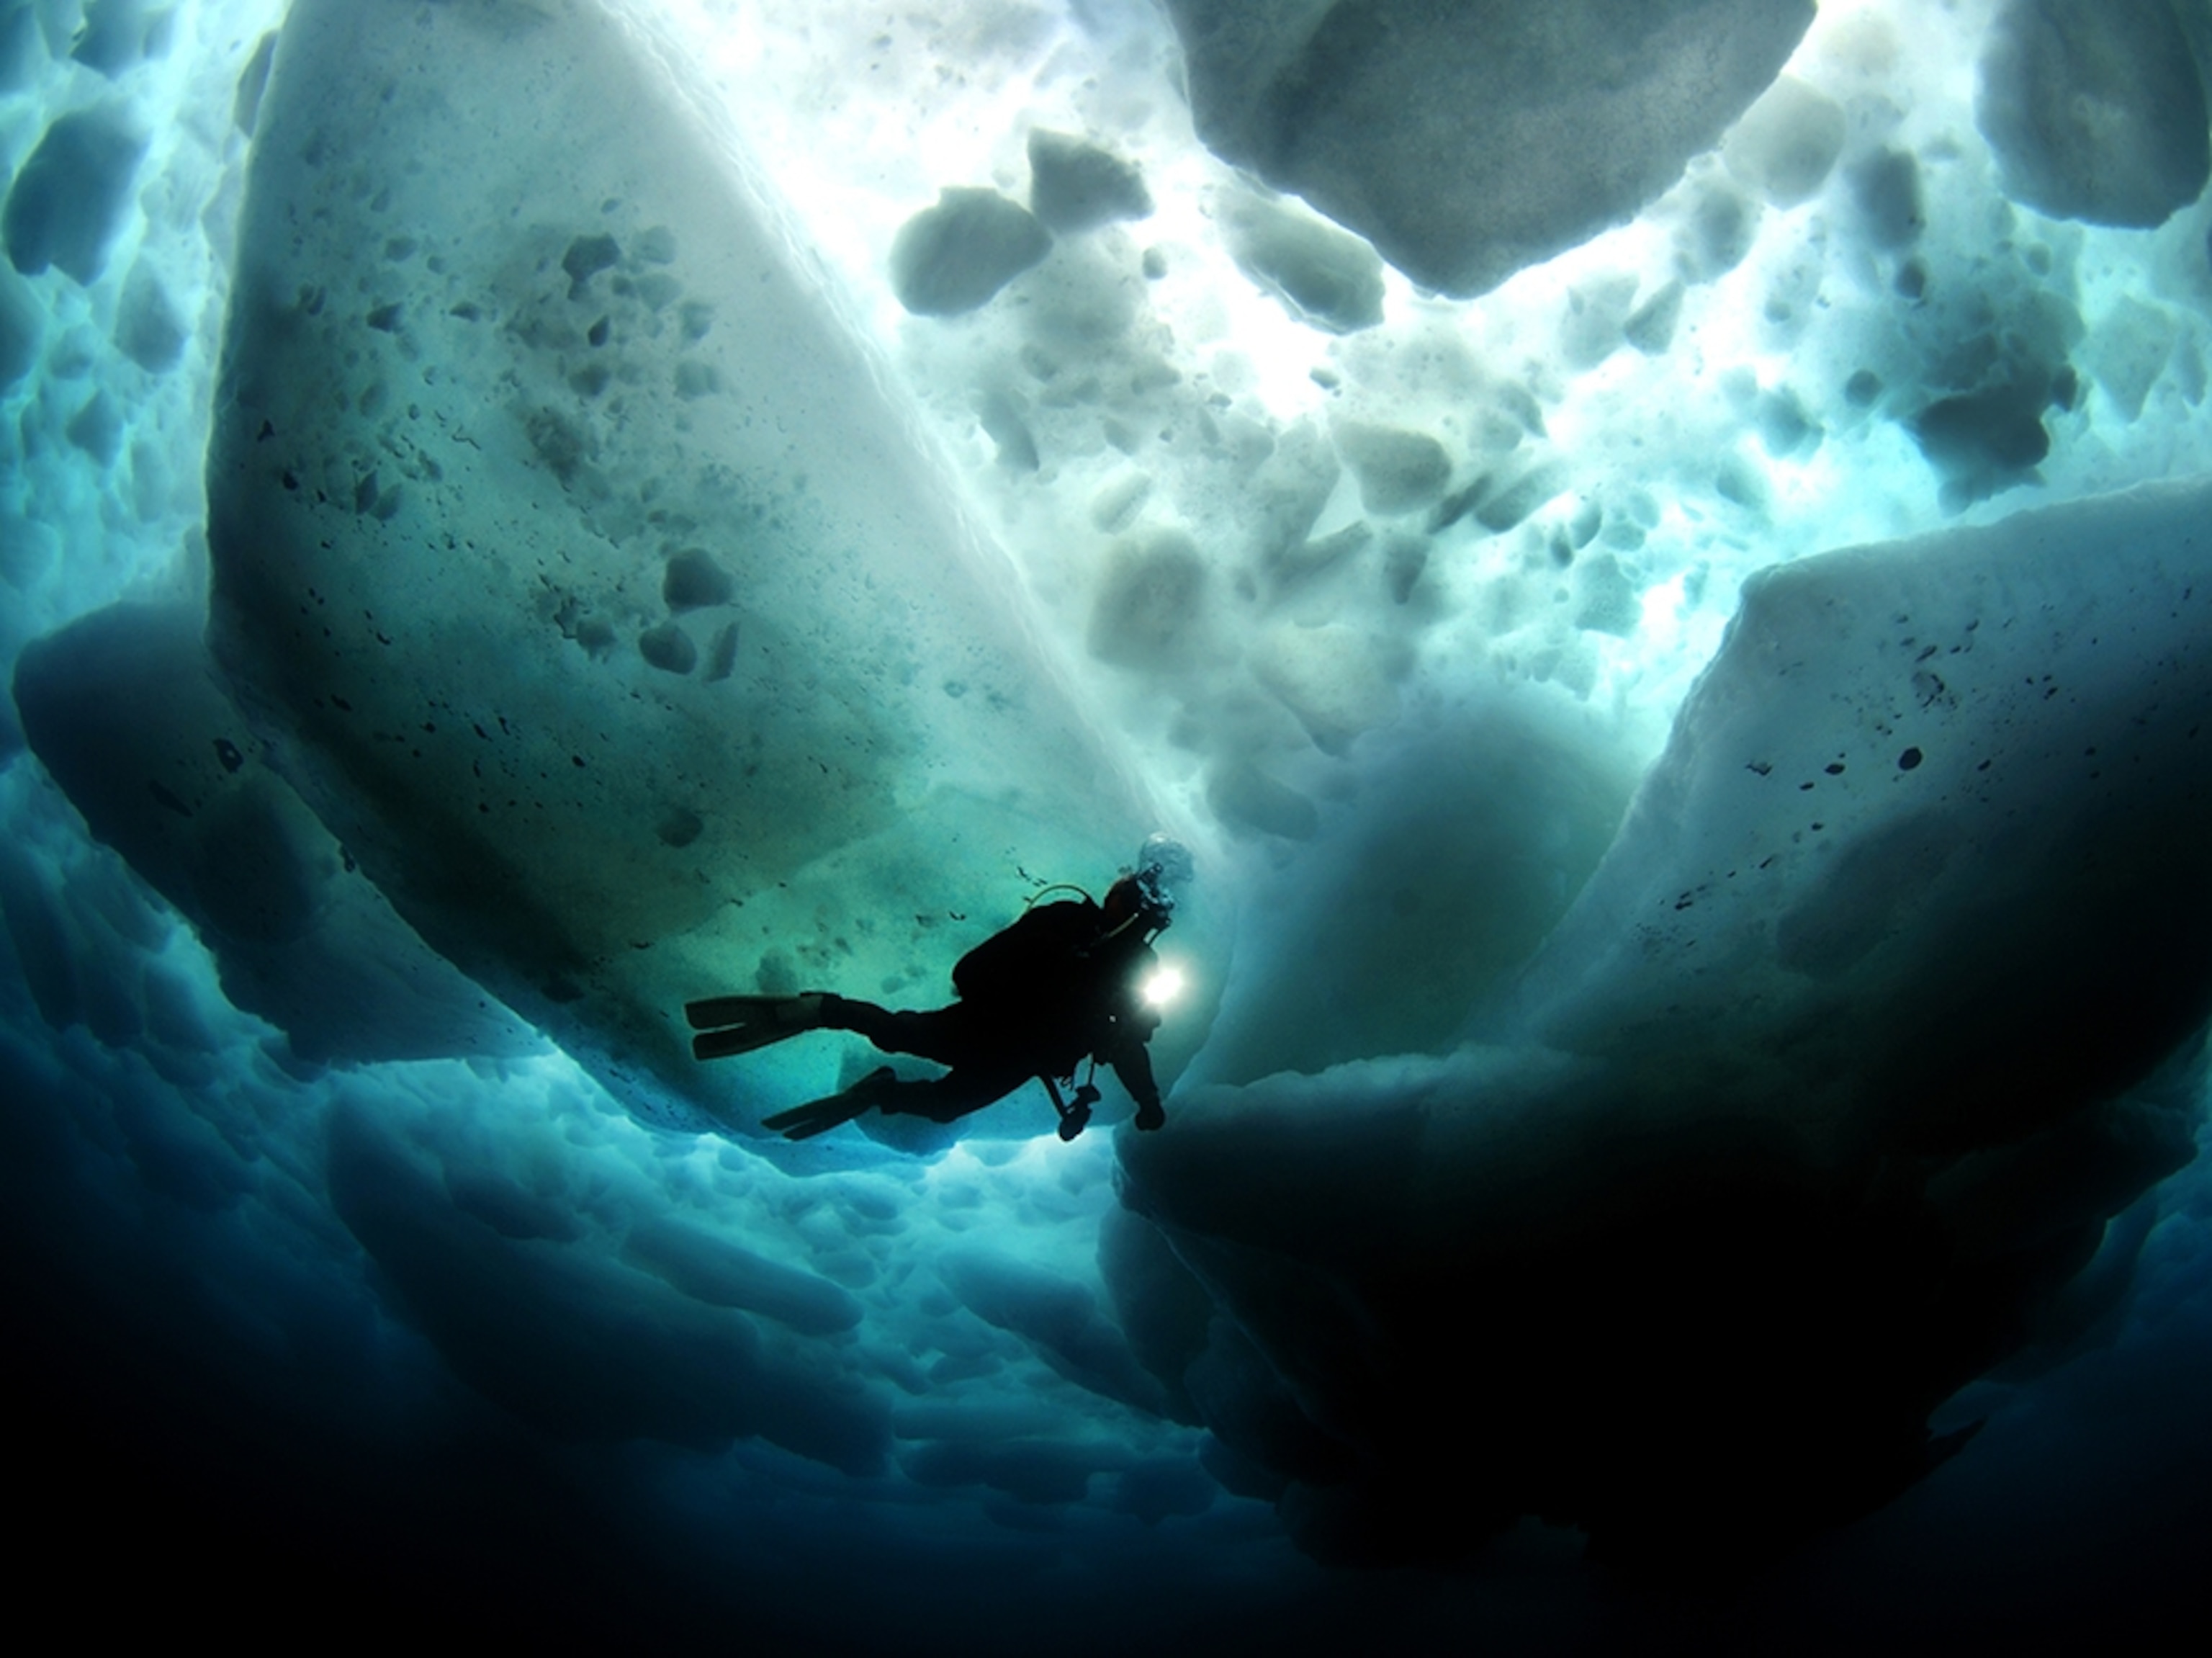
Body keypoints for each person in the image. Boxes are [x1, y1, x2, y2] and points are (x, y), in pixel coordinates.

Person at [687, 838, 1192, 1143]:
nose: (1127, 910)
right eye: (1126, 896)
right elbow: (976, 968)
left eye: (1138, 908)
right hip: (990, 1023)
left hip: (1020, 1060)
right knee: (896, 1032)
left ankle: (878, 1092)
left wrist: (1147, 1099)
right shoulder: (1066, 919)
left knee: (942, 1104)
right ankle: (820, 1009)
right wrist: (1059, 960)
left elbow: (1129, 1044)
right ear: (1116, 895)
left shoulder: (1140, 969)